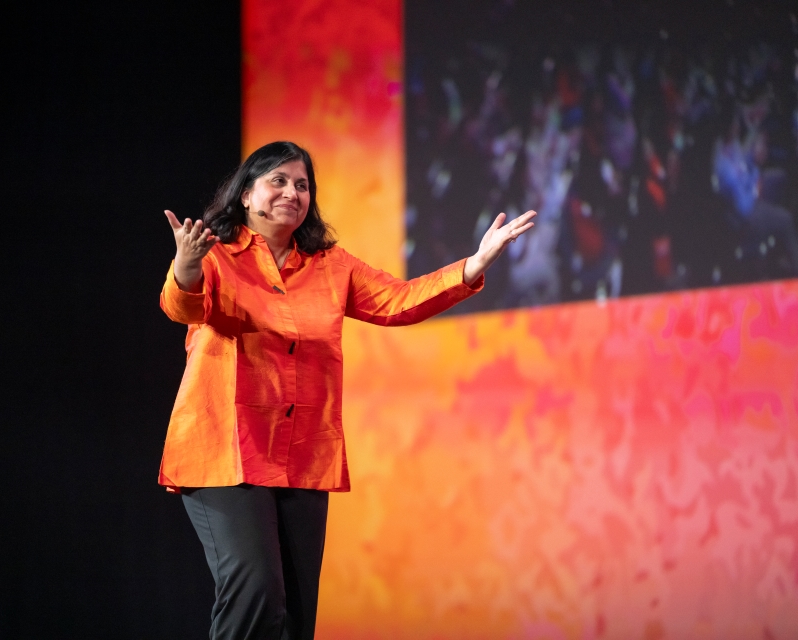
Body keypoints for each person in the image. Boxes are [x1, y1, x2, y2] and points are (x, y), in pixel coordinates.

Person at [159, 141, 535, 640]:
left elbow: (399, 302)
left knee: (294, 613)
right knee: (256, 589)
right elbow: (183, 308)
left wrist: (473, 265)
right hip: (226, 449)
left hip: (301, 455)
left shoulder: (330, 266)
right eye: (278, 181)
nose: (293, 192)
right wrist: (186, 263)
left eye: (302, 185)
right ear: (246, 195)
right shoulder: (216, 257)